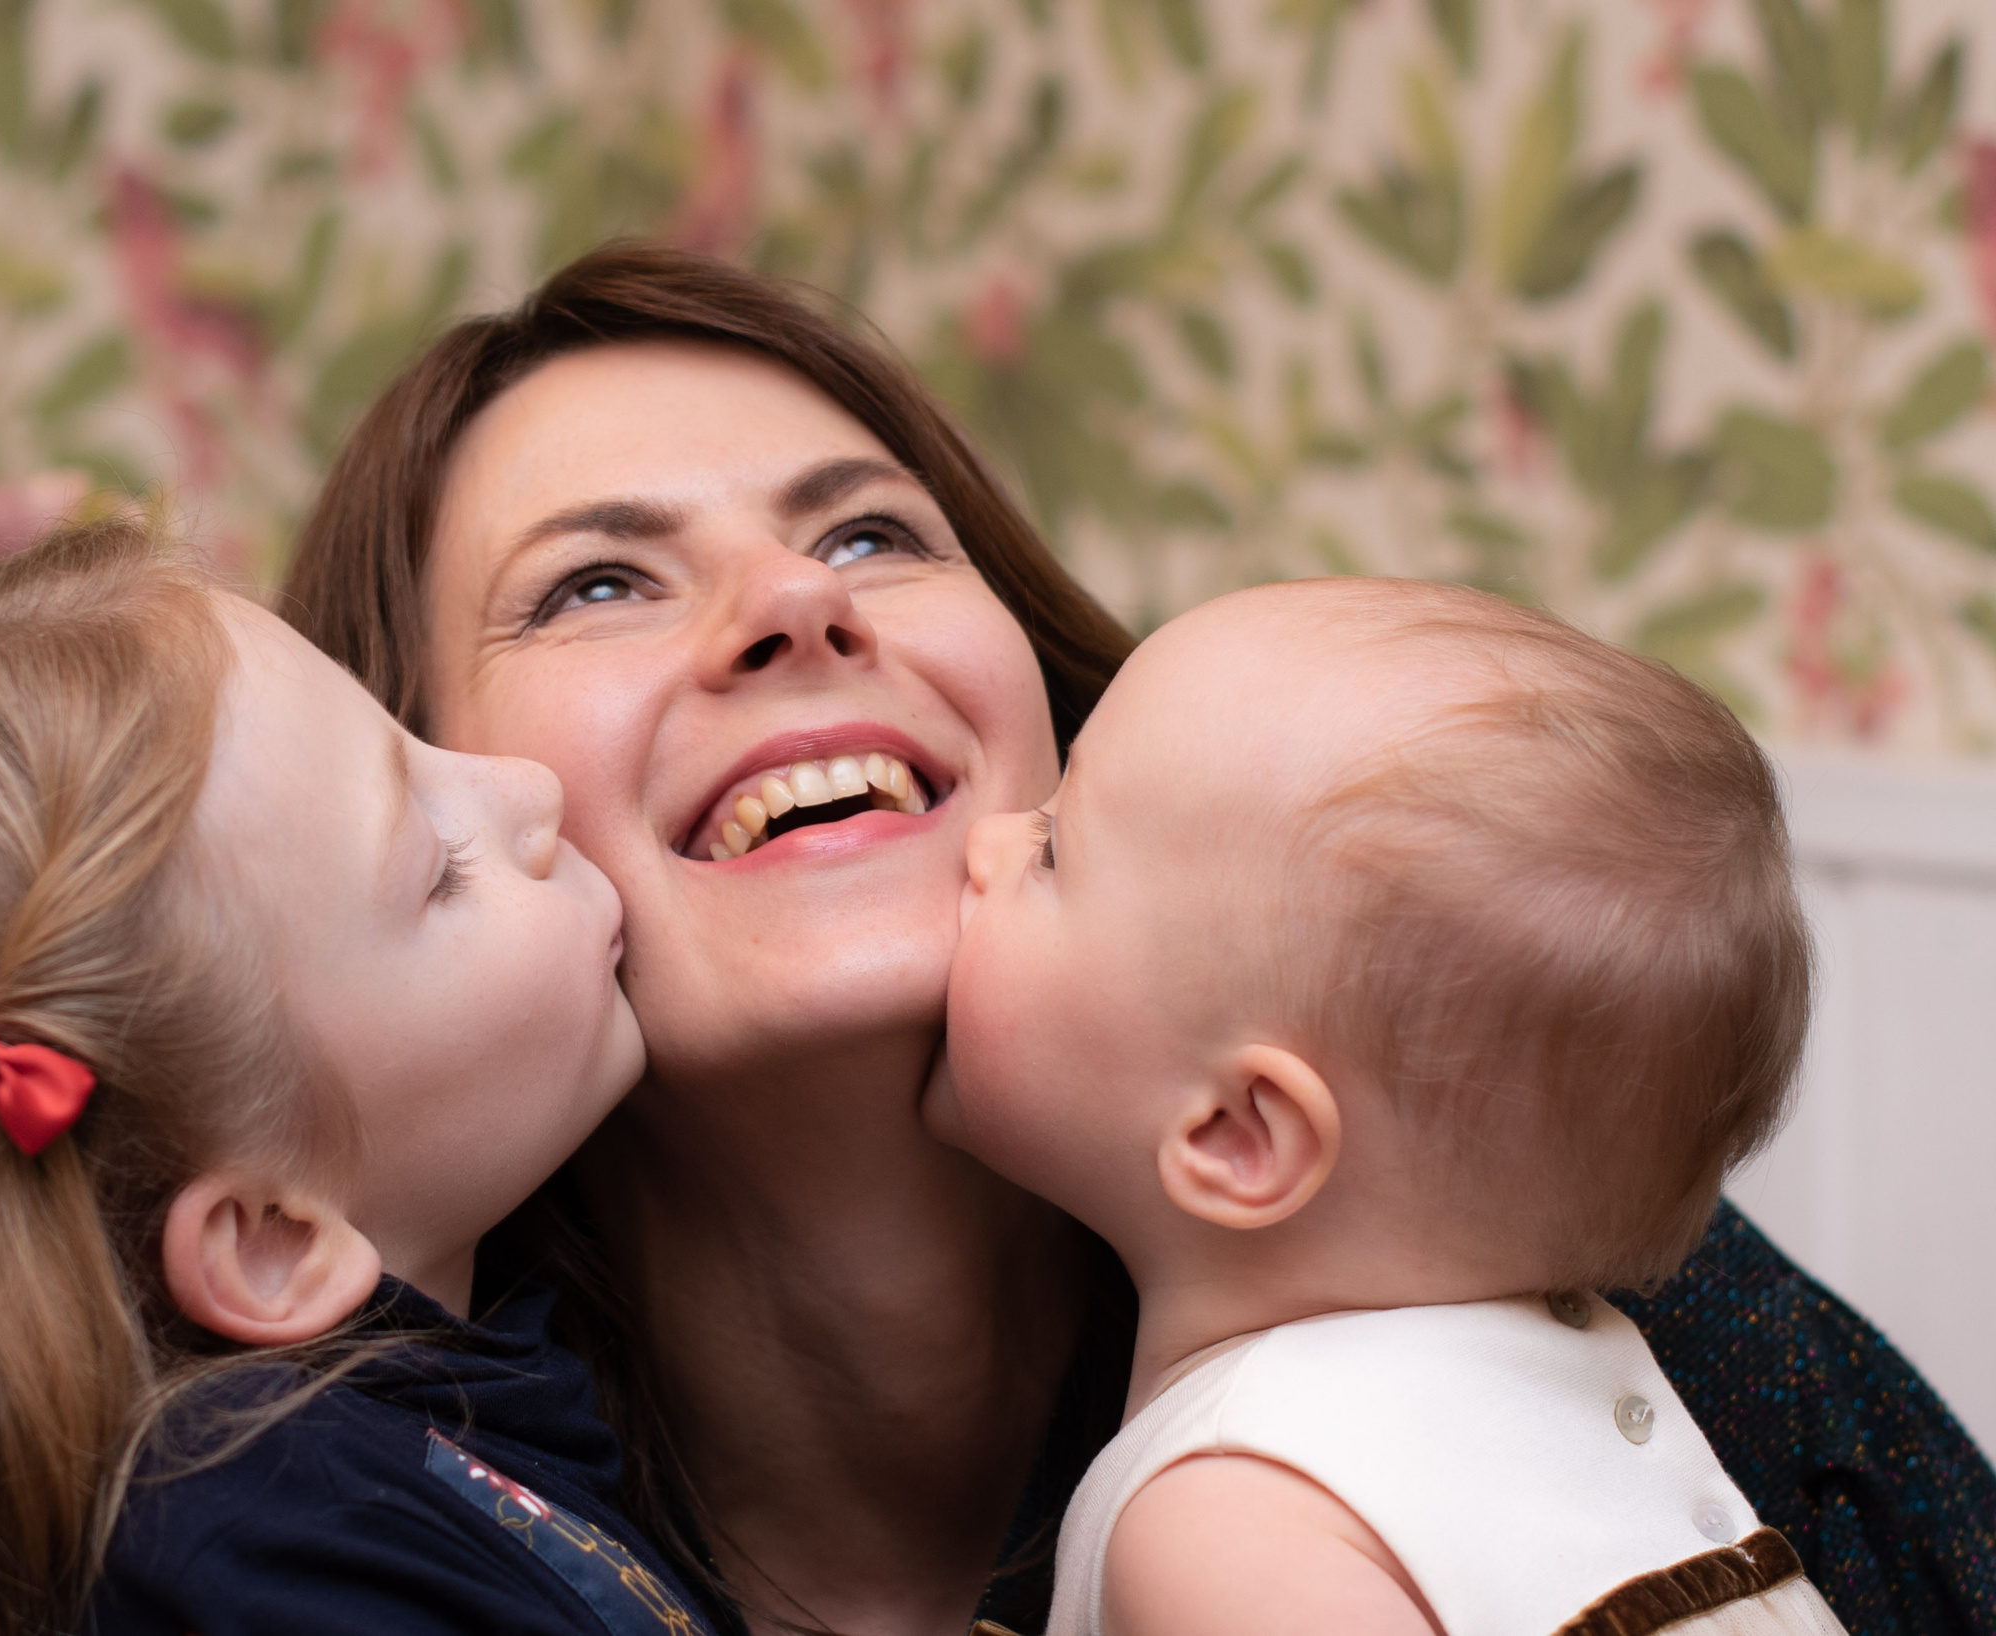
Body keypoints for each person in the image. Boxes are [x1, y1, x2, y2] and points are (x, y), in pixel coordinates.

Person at [280, 241, 1996, 1636]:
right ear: (416, 812)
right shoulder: (341, 1526)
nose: (802, 602)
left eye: (871, 532)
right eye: (597, 581)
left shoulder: (1542, 1268)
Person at [0, 525, 716, 1636]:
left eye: (408, 739)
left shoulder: (420, 1405)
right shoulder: (266, 1552)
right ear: (269, 1240)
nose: (527, 788)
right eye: (440, 871)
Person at [938, 577, 1844, 1636]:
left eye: (1052, 849)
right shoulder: (1562, 1415)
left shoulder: (1233, 1528)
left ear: (1238, 1136)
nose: (984, 839)